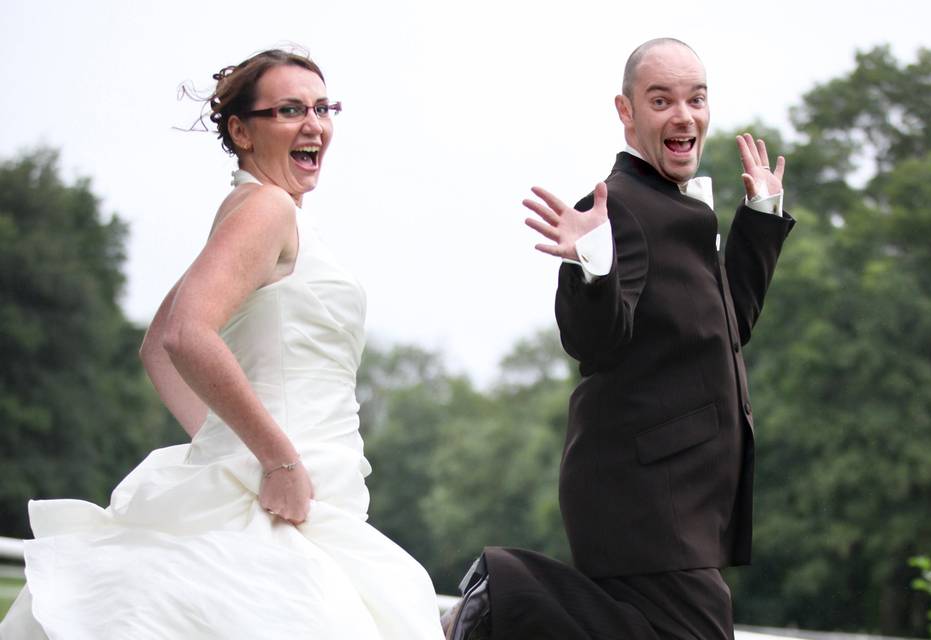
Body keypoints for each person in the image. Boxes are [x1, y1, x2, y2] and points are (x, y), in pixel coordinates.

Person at [0, 49, 445, 640]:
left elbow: (158, 342)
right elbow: (184, 335)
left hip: (293, 489)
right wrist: (274, 458)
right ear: (241, 130)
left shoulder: (255, 211)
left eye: (322, 107)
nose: (313, 124)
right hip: (277, 488)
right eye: (289, 110)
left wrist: (225, 443)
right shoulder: (265, 207)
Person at [443, 38, 795, 640]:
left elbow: (726, 328)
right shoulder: (617, 210)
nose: (683, 115)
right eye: (661, 100)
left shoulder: (680, 211)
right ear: (626, 111)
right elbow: (597, 342)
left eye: (696, 98)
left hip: (683, 498)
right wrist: (593, 264)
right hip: (647, 498)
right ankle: (506, 591)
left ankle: (507, 596)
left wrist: (760, 216)